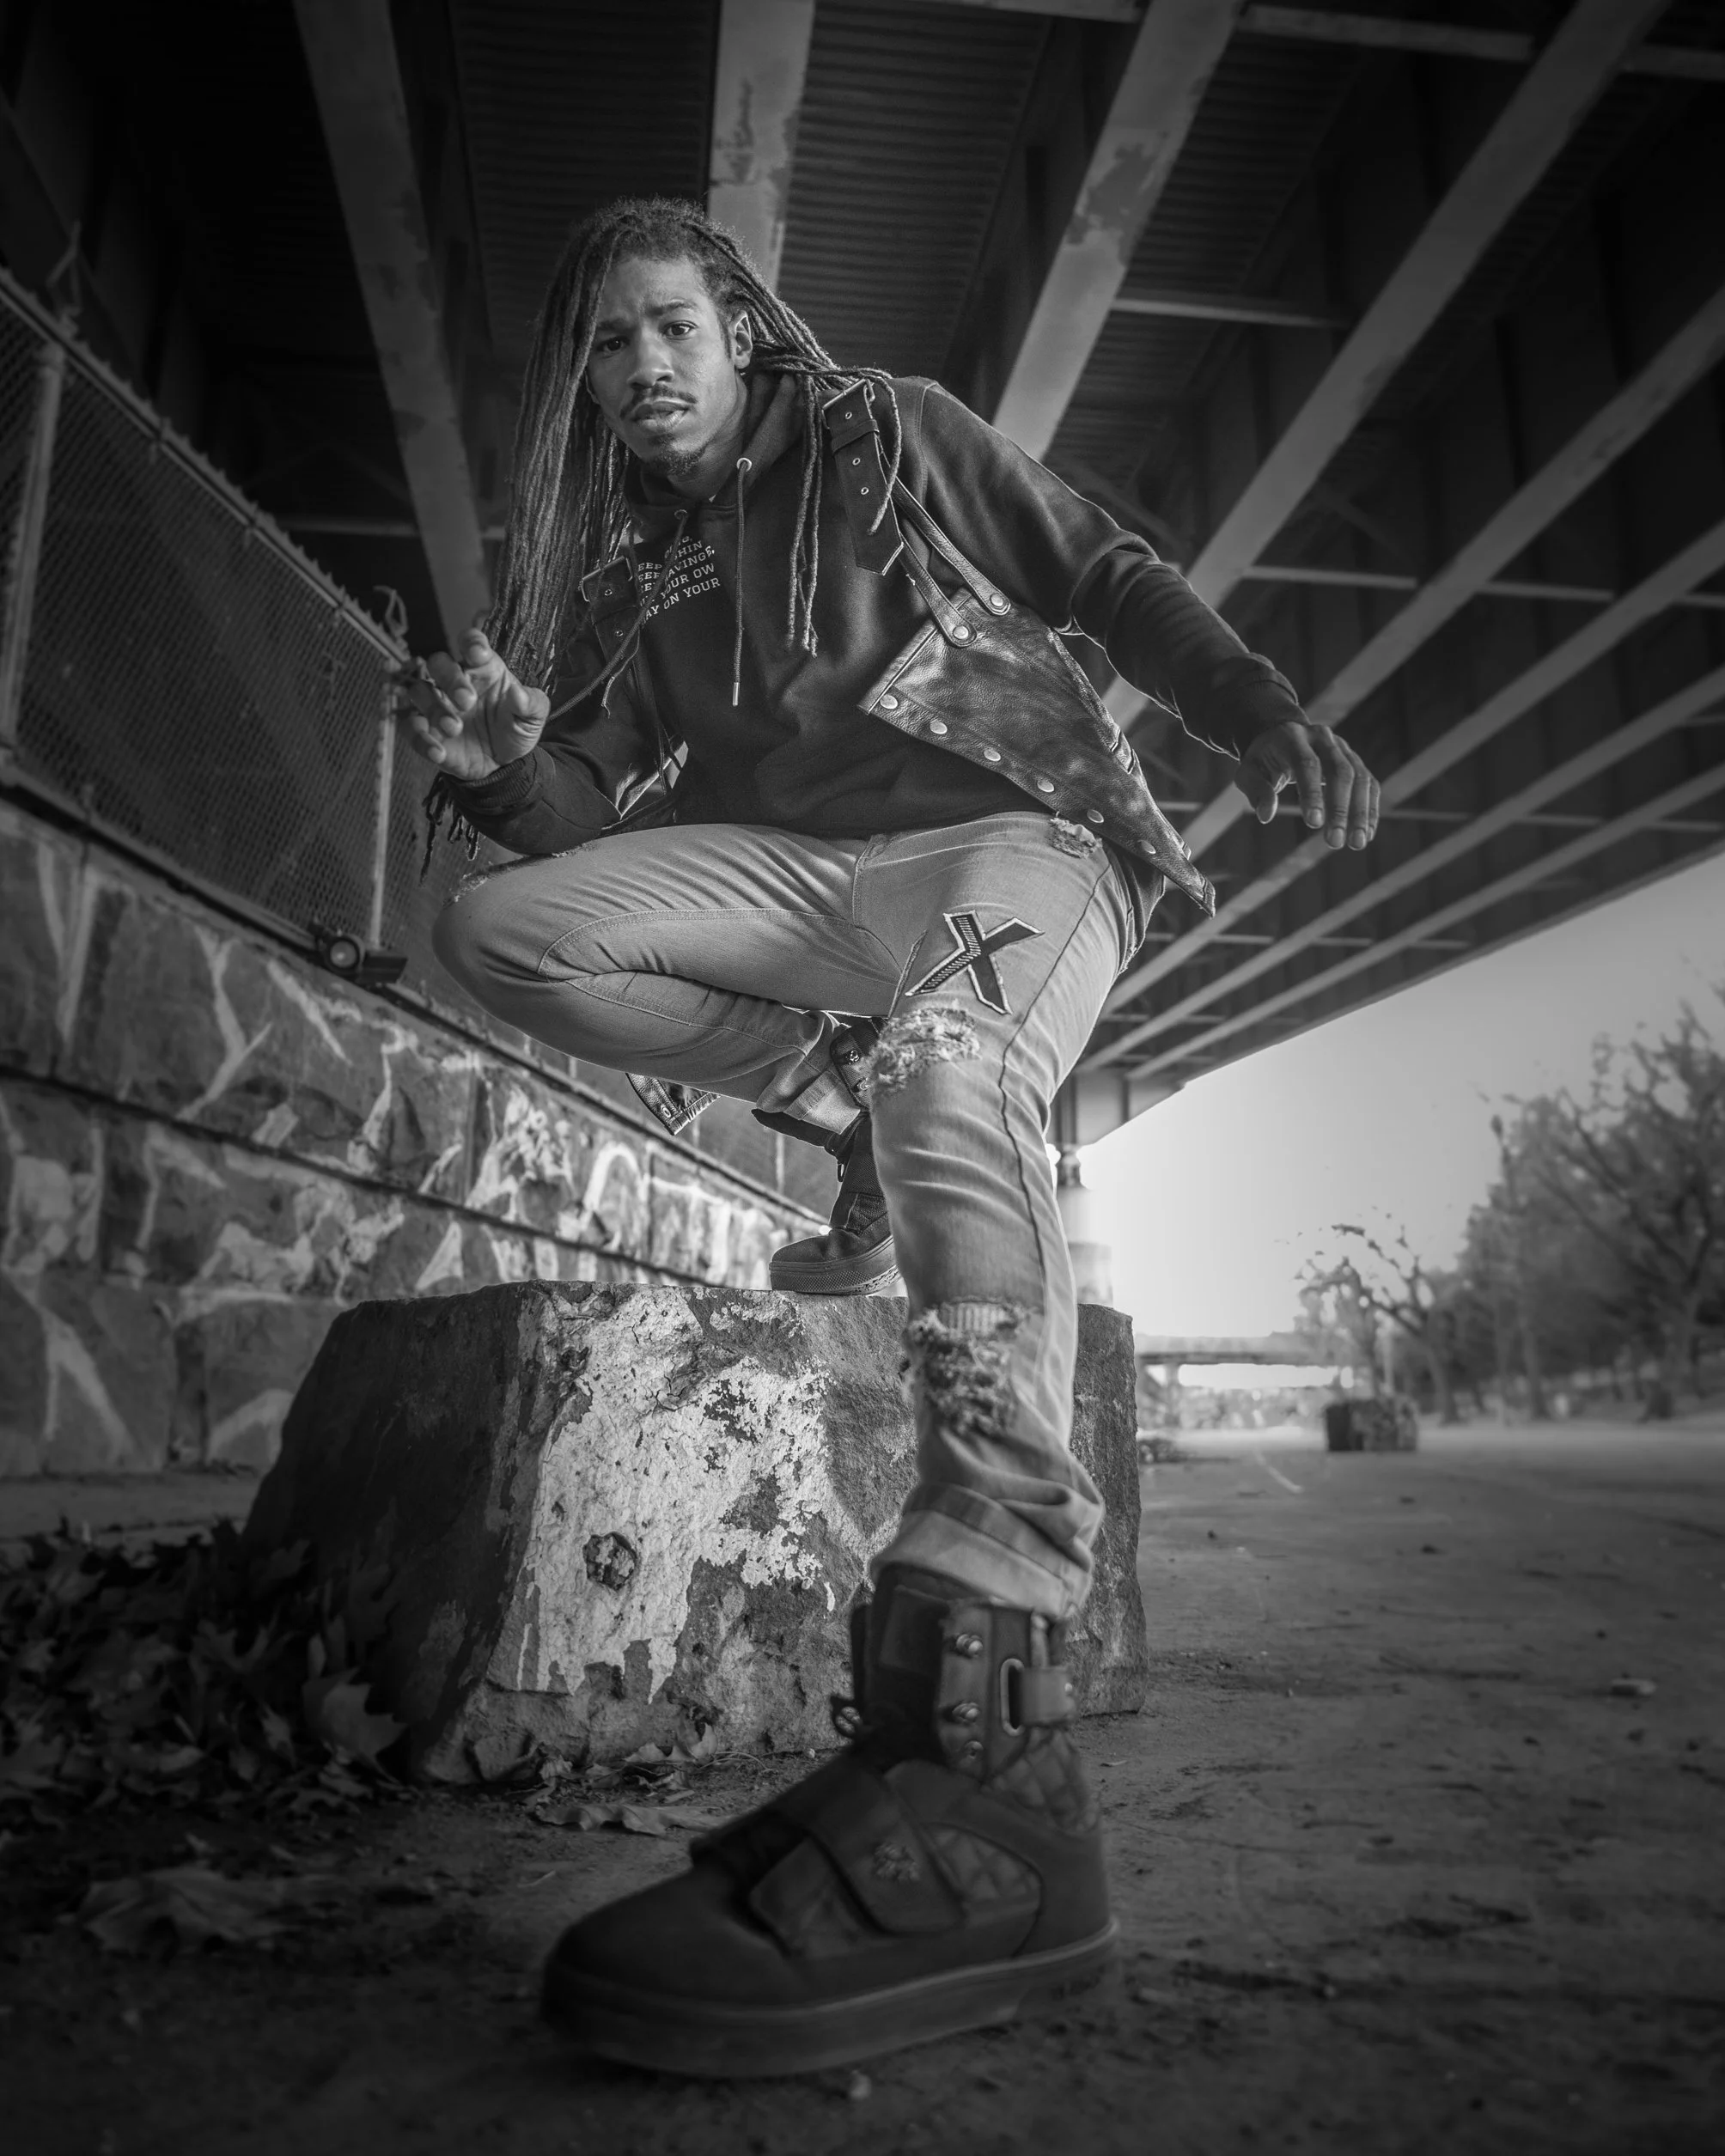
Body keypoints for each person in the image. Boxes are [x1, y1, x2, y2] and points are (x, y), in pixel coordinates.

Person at [397, 195, 1380, 2077]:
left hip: (1002, 846)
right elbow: (582, 806)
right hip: (805, 891)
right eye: (607, 348)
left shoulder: (886, 434)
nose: (643, 372)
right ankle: (826, 1087)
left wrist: (1246, 704)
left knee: (953, 1060)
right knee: (498, 923)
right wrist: (499, 766)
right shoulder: (633, 573)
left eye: (670, 327)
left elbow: (1096, 564)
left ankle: (993, 1620)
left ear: (742, 327)